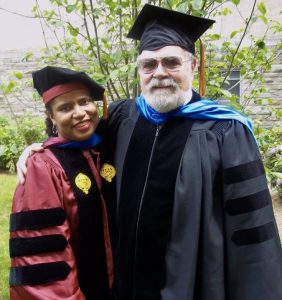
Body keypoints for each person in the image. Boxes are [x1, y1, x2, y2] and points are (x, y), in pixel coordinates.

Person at [17, 4, 282, 300]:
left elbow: (251, 232)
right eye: (149, 64)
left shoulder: (225, 132)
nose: (159, 73)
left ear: (192, 66)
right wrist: (40, 149)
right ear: (140, 70)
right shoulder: (122, 117)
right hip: (123, 283)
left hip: (193, 283)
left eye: (171, 62)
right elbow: (79, 146)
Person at [10, 66, 115, 300]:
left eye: (84, 101)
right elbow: (43, 261)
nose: (80, 113)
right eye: (65, 108)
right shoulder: (42, 168)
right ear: (51, 116)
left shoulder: (107, 146)